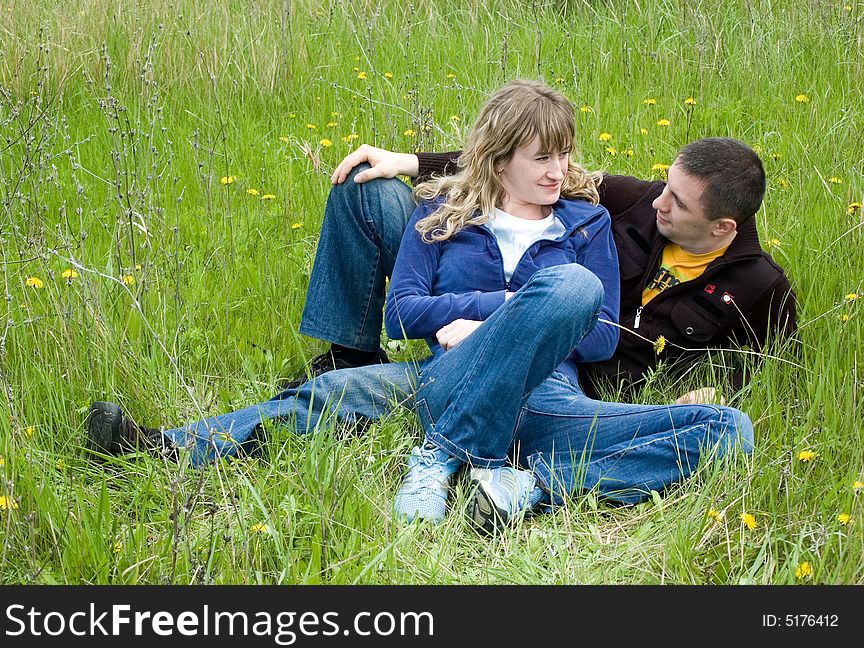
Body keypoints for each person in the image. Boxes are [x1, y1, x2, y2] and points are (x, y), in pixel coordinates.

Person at [373, 79, 752, 531]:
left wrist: (501, 323)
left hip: (552, 399)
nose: (559, 170)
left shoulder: (588, 221)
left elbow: (601, 337)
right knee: (310, 401)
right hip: (461, 373)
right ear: (498, 161)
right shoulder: (443, 210)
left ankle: (527, 484)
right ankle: (440, 455)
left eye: (565, 154)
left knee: (728, 431)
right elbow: (400, 313)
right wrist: (505, 309)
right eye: (544, 159)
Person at [295, 138, 796, 405]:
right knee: (365, 189)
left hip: (564, 370)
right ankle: (349, 355)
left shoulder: (759, 287)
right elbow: (522, 166)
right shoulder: (638, 201)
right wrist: (407, 162)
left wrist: (724, 390)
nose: (658, 201)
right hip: (493, 297)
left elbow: (777, 366)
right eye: (665, 184)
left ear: (721, 227)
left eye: (677, 202)